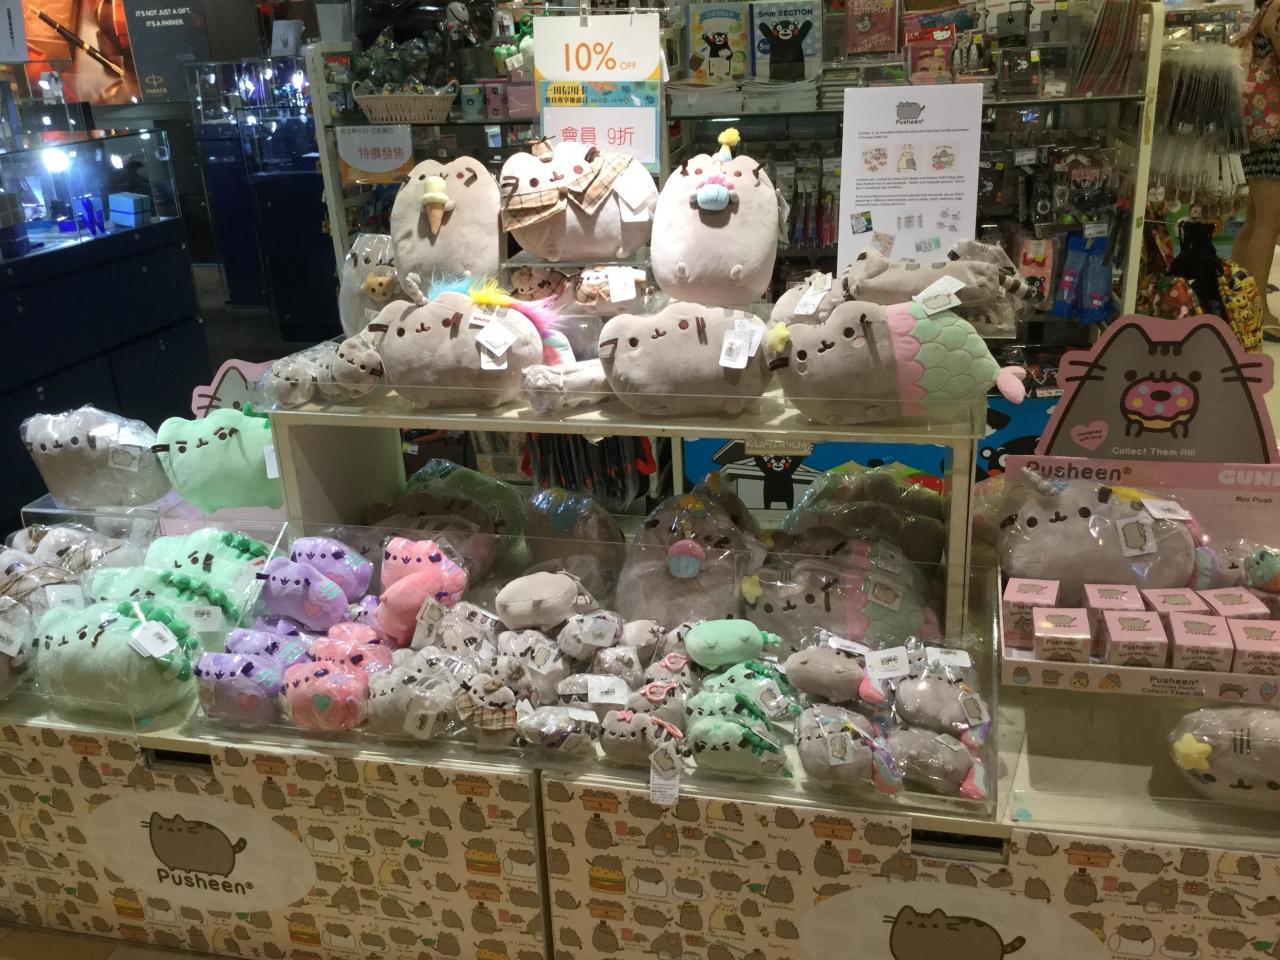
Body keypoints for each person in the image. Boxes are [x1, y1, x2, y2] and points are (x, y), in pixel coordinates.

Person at [1234, 0, 1280, 336]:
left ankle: (1238, 299)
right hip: (1272, 128)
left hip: (1260, 124)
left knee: (1256, 219)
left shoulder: (1268, 9)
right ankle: (1258, 310)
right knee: (1270, 220)